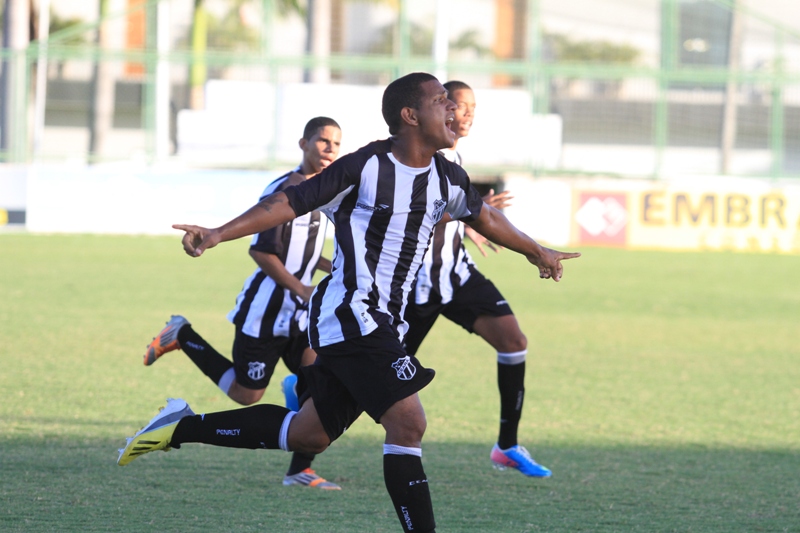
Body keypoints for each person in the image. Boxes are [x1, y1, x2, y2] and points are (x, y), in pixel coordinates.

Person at [117, 72, 580, 533]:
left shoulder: (447, 176)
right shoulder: (364, 167)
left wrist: (537, 251)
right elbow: (288, 203)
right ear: (411, 116)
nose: (453, 111)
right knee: (408, 423)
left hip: (382, 320)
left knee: (307, 433)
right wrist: (218, 233)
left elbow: (487, 216)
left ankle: (180, 426)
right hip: (350, 312)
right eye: (443, 101)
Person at [141, 116, 342, 490]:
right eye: (323, 141)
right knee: (246, 395)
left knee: (318, 385)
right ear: (303, 144)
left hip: (302, 316)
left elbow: (305, 253)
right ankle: (183, 336)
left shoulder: (326, 192)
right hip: (265, 310)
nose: (330, 149)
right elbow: (263, 252)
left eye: (336, 143)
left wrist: (336, 268)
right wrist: (302, 290)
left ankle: (300, 470)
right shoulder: (283, 191)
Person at [404, 81, 549, 477]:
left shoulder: (456, 156)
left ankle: (507, 445)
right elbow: (416, 215)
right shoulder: (421, 156)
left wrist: (469, 224)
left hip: (457, 273)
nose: (467, 114)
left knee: (513, 341)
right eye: (460, 105)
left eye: (472, 108)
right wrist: (473, 211)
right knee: (374, 378)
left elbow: (449, 212)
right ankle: (309, 403)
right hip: (416, 283)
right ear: (441, 108)